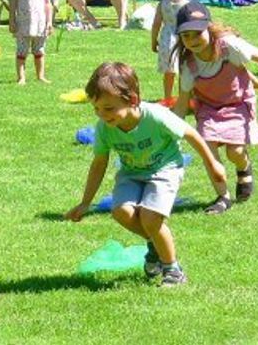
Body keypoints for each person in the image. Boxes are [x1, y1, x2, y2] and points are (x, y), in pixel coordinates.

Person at [64, 62, 227, 287]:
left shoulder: (156, 115)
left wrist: (212, 165)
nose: (102, 115)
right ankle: (155, 245)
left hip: (164, 169)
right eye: (97, 109)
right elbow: (99, 163)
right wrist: (85, 202)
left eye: (109, 109)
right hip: (131, 173)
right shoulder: (104, 129)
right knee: (121, 212)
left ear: (132, 100)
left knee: (151, 217)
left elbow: (191, 134)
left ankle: (173, 269)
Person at [171, 1, 258, 214]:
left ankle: (243, 166)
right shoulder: (188, 65)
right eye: (185, 36)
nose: (192, 40)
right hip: (209, 109)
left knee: (234, 151)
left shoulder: (229, 46)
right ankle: (223, 196)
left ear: (209, 28)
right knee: (207, 148)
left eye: (196, 33)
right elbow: (182, 103)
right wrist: (170, 130)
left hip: (237, 104)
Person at [8, 0, 53, 84]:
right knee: (22, 51)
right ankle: (21, 77)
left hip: (40, 22)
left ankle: (40, 76)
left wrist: (49, 22)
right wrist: (12, 20)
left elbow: (47, 3)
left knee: (39, 50)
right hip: (23, 23)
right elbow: (13, 3)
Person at [150, 0, 193, 102]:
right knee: (184, 71)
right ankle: (183, 98)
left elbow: (156, 25)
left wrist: (153, 41)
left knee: (169, 73)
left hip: (166, 40)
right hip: (183, 40)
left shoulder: (163, 4)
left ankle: (167, 97)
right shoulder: (187, 5)